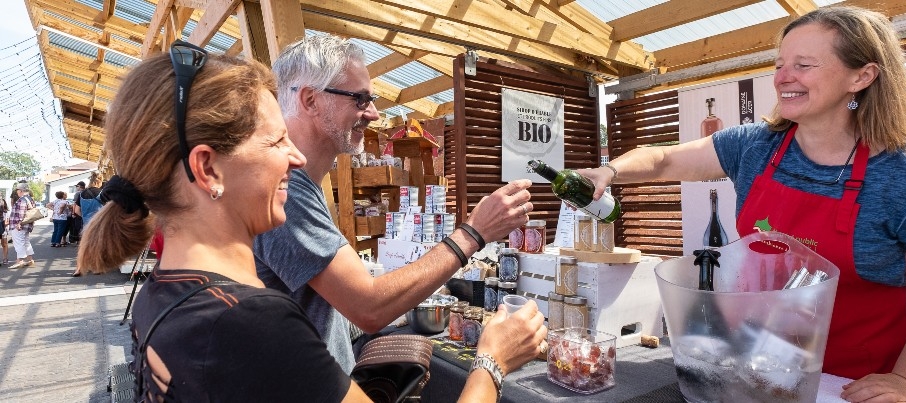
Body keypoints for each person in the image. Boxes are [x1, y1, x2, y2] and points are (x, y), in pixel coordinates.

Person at [78, 42, 545, 401]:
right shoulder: (252, 323)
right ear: (208, 169)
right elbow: (363, 305)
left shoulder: (163, 295)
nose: (296, 157)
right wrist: (492, 360)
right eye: (276, 141)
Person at [580, 6, 906, 402]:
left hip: (856, 385)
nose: (783, 77)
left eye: (803, 64)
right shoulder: (755, 146)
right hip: (760, 371)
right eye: (780, 63)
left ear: (862, 76)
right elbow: (663, 159)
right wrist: (609, 172)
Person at [254, 33, 536, 373]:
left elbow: (320, 307)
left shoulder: (302, 183)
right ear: (311, 100)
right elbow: (368, 306)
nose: (373, 113)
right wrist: (473, 232)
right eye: (359, 99)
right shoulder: (288, 190)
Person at [8, 182, 37, 269]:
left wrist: (18, 223)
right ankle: (30, 259)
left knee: (19, 242)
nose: (17, 192)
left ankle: (20, 261)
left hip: (19, 225)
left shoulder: (22, 200)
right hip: (27, 225)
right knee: (26, 242)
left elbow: (21, 213)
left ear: (20, 190)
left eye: (17, 190)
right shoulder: (30, 199)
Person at [0, 196, 9, 265]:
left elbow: (7, 222)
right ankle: (5, 259)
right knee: (4, 244)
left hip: (4, 229)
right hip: (3, 228)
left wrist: (5, 223)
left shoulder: (6, 212)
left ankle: (5, 258)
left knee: (4, 244)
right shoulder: (5, 212)